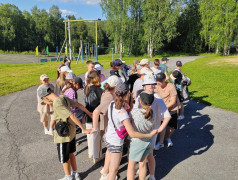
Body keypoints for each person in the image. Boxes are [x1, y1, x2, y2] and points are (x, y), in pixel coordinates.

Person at [99, 83, 158, 180]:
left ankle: (104, 172)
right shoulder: (124, 113)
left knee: (115, 162)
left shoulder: (112, 104)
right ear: (127, 94)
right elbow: (132, 133)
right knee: (114, 170)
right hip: (117, 142)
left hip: (109, 137)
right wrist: (149, 135)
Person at [37, 85, 92, 180]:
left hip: (63, 133)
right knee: (71, 153)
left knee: (64, 158)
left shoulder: (57, 103)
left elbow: (71, 115)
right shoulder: (62, 97)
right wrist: (89, 113)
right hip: (71, 131)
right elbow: (78, 105)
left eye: (43, 98)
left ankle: (68, 177)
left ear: (45, 96)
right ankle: (75, 173)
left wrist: (83, 129)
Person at [134, 74, 171, 180]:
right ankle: (151, 175)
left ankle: (149, 174)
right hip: (141, 131)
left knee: (145, 158)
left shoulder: (158, 98)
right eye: (148, 84)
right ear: (144, 85)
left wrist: (159, 129)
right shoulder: (139, 97)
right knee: (149, 155)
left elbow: (167, 116)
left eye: (152, 84)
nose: (151, 86)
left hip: (150, 133)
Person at [127, 91, 157, 180]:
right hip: (148, 140)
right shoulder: (153, 113)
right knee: (143, 164)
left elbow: (129, 121)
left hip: (136, 141)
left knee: (131, 166)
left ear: (140, 101)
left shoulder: (134, 112)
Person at [92, 75, 121, 164]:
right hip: (107, 124)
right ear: (115, 86)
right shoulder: (109, 97)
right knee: (110, 148)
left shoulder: (106, 93)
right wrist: (95, 127)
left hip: (107, 121)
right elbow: (96, 111)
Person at [154, 73, 180, 149]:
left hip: (172, 109)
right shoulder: (157, 87)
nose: (158, 83)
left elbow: (173, 101)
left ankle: (168, 138)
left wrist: (163, 108)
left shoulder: (171, 87)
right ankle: (161, 142)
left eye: (160, 81)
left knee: (172, 127)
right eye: (157, 81)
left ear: (164, 80)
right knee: (163, 126)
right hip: (163, 109)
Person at [84, 71, 103, 161]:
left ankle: (91, 153)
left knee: (90, 135)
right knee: (97, 136)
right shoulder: (98, 90)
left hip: (88, 113)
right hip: (96, 116)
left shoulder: (86, 88)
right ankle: (97, 155)